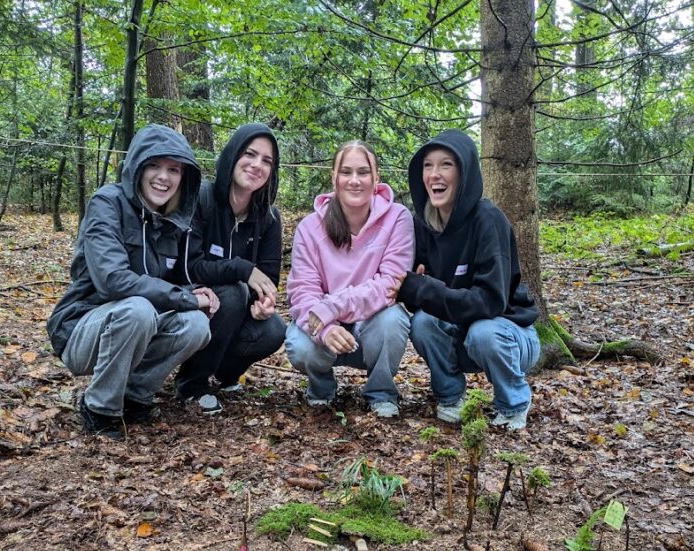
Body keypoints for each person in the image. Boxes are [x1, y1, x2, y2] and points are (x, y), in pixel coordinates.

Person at [47, 124, 216, 438]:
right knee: (138, 309)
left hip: (135, 323)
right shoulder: (106, 203)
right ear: (137, 166)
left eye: (174, 169)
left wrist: (192, 293)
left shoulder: (170, 221)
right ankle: (99, 407)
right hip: (81, 329)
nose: (163, 177)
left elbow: (160, 282)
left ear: (183, 178)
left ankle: (135, 396)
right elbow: (114, 281)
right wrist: (186, 298)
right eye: (154, 165)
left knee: (195, 324)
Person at [393, 130, 540, 429]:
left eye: (446, 164)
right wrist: (415, 289)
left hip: (509, 334)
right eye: (427, 166)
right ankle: (451, 397)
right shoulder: (422, 222)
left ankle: (513, 403)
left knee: (484, 332)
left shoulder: (488, 219)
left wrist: (425, 288)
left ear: (464, 171)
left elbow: (489, 301)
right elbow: (409, 289)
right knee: (422, 322)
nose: (435, 175)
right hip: (460, 334)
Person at [285, 140, 413, 418]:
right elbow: (302, 292)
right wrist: (327, 327)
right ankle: (321, 387)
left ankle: (381, 392)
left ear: (376, 178)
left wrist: (333, 306)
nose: (355, 181)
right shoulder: (309, 228)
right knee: (299, 343)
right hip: (328, 330)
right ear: (334, 177)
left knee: (395, 319)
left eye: (363, 172)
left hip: (371, 326)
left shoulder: (397, 218)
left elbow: (390, 284)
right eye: (346, 172)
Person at [175, 123, 286, 414]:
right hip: (190, 301)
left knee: (274, 329)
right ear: (233, 154)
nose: (256, 165)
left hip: (236, 307)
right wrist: (242, 269)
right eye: (250, 154)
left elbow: (268, 278)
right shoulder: (202, 199)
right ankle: (192, 382)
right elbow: (191, 267)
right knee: (234, 292)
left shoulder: (269, 219)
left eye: (267, 161)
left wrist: (264, 303)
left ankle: (225, 374)